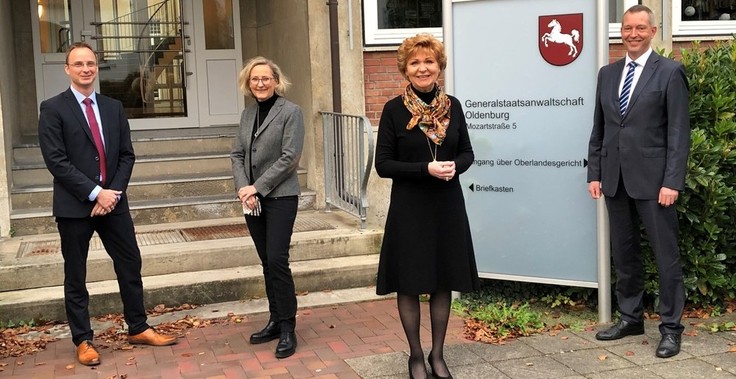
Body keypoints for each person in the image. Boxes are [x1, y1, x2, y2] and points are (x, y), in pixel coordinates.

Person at [38, 42, 177, 367]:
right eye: (79, 64)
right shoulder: (53, 108)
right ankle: (83, 340)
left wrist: (111, 192)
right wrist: (93, 193)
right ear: (67, 69)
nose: (85, 69)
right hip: (75, 206)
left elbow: (126, 154)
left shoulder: (113, 107)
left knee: (130, 263)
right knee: (76, 274)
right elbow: (56, 161)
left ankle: (138, 327)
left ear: (96, 67)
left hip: (113, 202)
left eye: (90, 63)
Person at [587, 5, 690, 359]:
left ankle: (671, 328)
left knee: (666, 257)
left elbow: (679, 132)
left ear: (653, 31)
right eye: (627, 27)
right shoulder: (608, 73)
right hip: (614, 179)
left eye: (640, 28)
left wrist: (672, 181)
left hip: (656, 182)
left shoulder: (671, 72)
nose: (632, 33)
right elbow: (600, 128)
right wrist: (595, 172)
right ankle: (630, 317)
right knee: (625, 254)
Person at [375, 34, 480, 379]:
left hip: (446, 205)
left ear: (439, 67)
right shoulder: (393, 110)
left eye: (429, 62)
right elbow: (384, 164)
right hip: (409, 208)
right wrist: (425, 169)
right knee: (409, 282)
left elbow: (467, 152)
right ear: (405, 69)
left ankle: (438, 354)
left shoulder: (454, 106)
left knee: (441, 279)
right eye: (415, 62)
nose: (423, 68)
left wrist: (454, 166)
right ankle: (416, 356)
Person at [230, 56, 304, 359]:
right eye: (254, 79)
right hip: (252, 199)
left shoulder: (291, 112)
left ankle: (288, 326)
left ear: (276, 81)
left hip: (281, 197)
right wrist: (243, 188)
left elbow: (289, 157)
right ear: (248, 83)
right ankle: (275, 320)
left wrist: (257, 186)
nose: (260, 84)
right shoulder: (248, 115)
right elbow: (237, 154)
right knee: (265, 261)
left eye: (265, 78)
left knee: (277, 259)